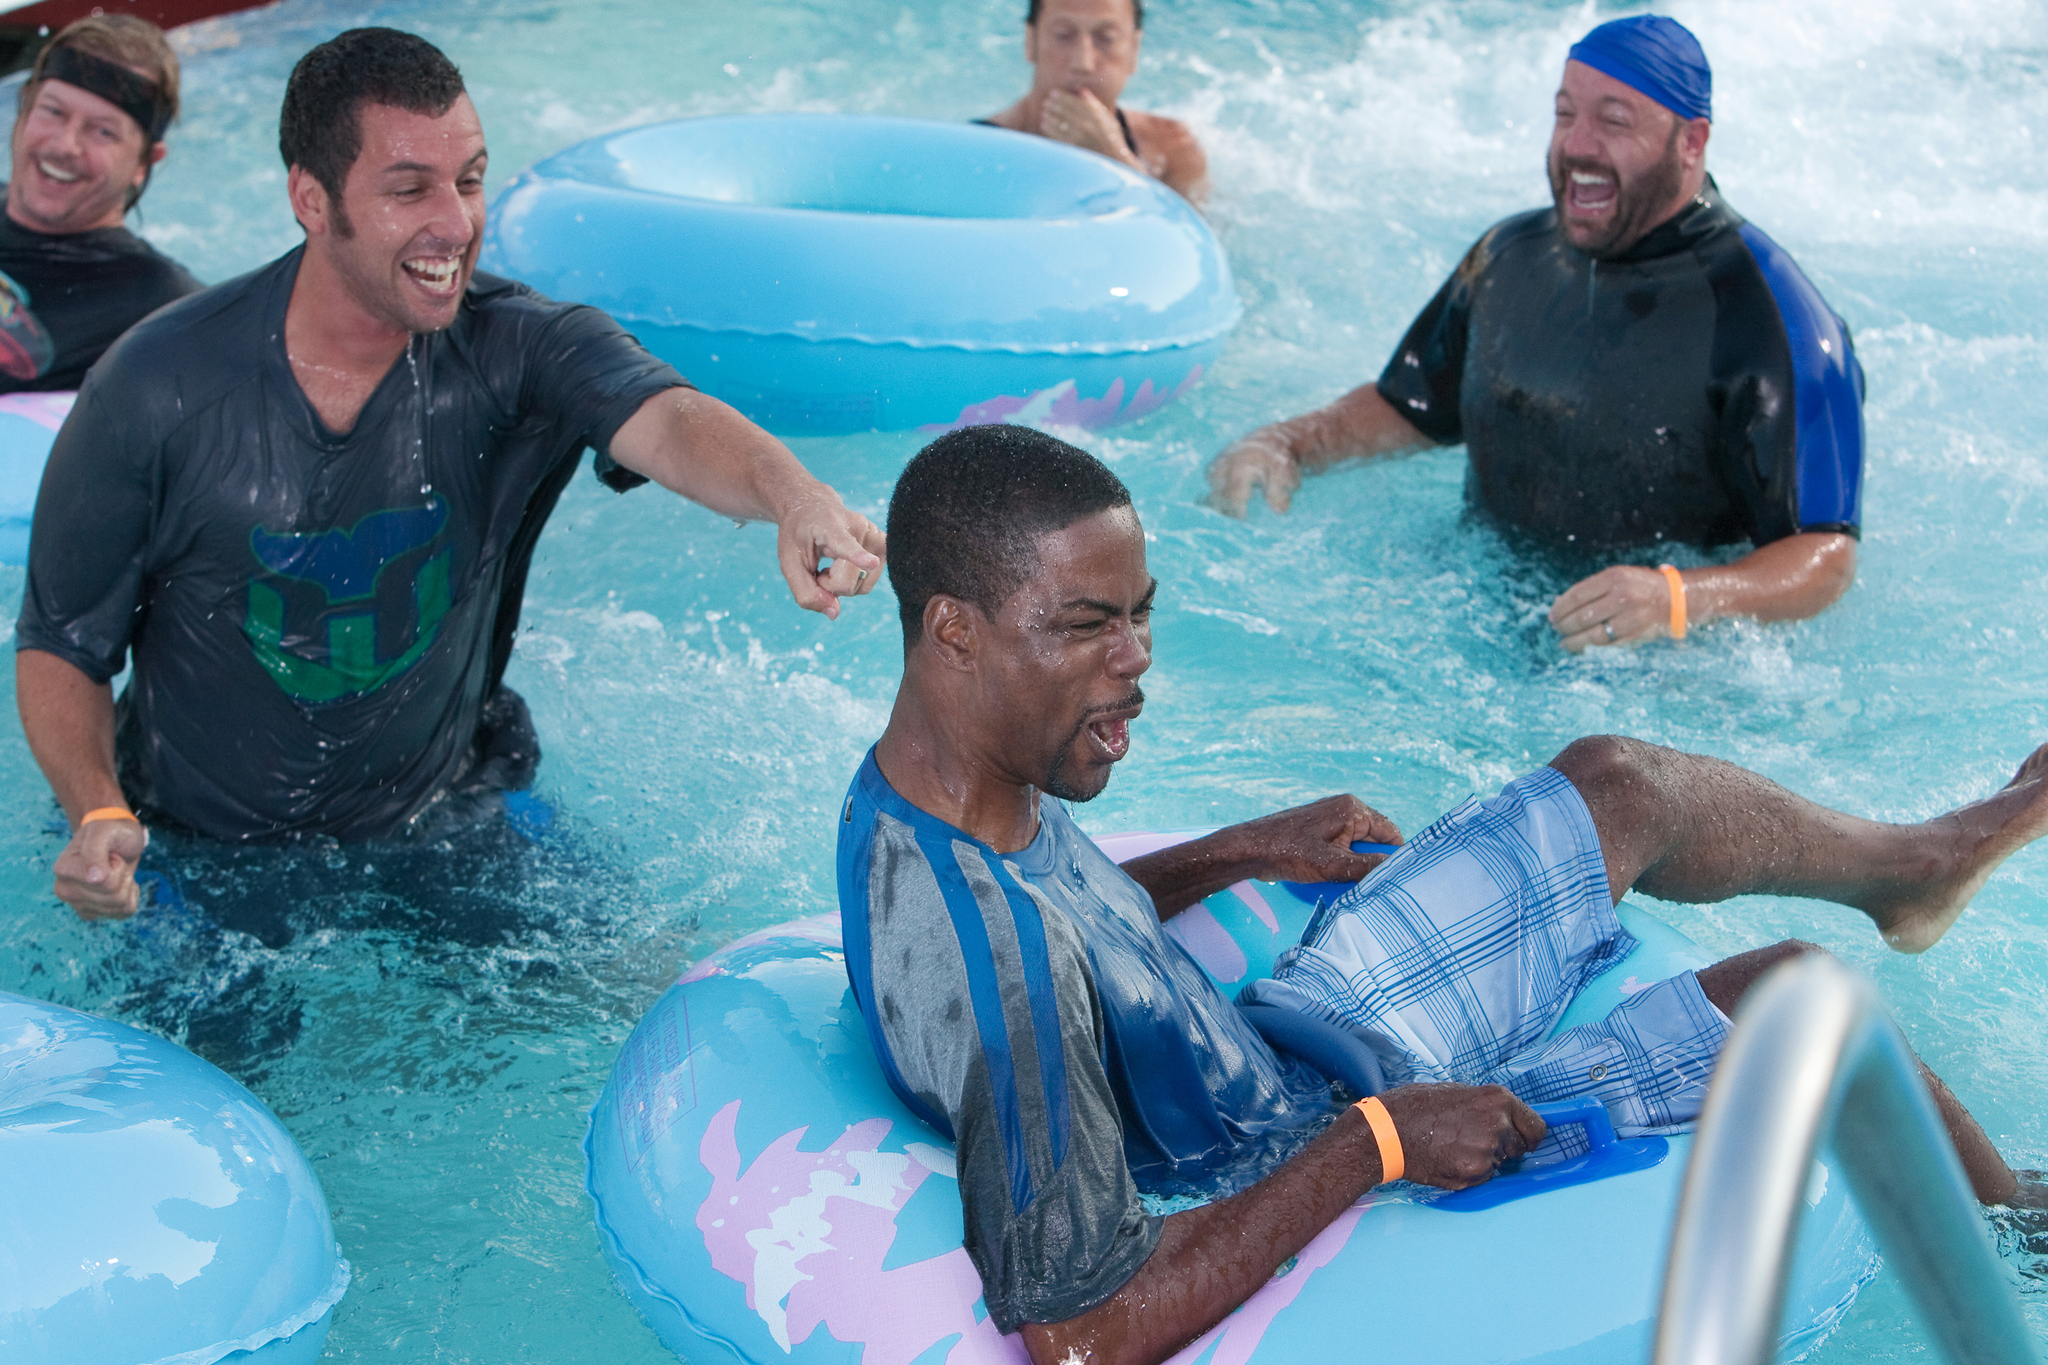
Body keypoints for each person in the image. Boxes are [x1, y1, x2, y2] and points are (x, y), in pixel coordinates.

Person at [841, 424, 2047, 1365]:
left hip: (1289, 1039)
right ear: (952, 630)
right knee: (1795, 1007)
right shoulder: (1000, 976)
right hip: (1294, 1140)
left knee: (1614, 782)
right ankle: (2028, 1240)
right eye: (1088, 627)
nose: (1136, 663)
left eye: (1141, 616)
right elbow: (1079, 1337)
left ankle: (1914, 868)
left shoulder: (923, 792)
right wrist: (1381, 1140)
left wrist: (1238, 849)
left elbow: (1060, 909)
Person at [16, 28, 884, 922]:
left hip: (439, 819)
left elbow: (670, 419)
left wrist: (796, 495)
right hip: (200, 854)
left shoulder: (521, 349)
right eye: (409, 189)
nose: (457, 222)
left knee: (639, 991)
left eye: (469, 179)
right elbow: (60, 642)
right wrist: (97, 808)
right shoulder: (159, 384)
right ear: (311, 199)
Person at [1207, 16, 1863, 652]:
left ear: (1691, 142)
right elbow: (1412, 407)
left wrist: (1678, 599)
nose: (1578, 146)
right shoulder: (1510, 256)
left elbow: (1825, 553)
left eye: (1613, 121)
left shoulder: (1777, 320)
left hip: (1665, 668)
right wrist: (1289, 442)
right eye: (1564, 114)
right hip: (1477, 604)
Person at [0, 15, 201, 391]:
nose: (64, 146)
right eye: (53, 111)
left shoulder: (166, 312)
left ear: (144, 163)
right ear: (24, 109)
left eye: (102, 131)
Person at [978, 0, 1208, 206]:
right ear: (1031, 42)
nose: (1083, 62)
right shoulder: (980, 153)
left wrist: (1114, 158)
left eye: (1106, 38)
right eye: (1063, 35)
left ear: (1133, 51)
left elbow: (1190, 245)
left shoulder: (1174, 149)